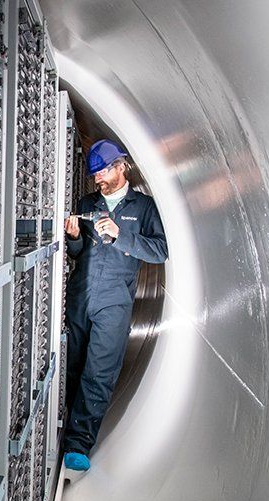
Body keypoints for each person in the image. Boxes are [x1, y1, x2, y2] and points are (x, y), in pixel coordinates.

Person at [62, 139, 168, 471]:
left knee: (99, 371)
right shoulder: (88, 202)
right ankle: (62, 421)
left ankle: (78, 443)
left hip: (115, 302)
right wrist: (74, 238)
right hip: (81, 295)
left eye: (103, 172)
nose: (98, 180)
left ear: (122, 166)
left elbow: (159, 251)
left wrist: (120, 234)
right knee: (73, 363)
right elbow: (78, 254)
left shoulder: (145, 208)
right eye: (95, 174)